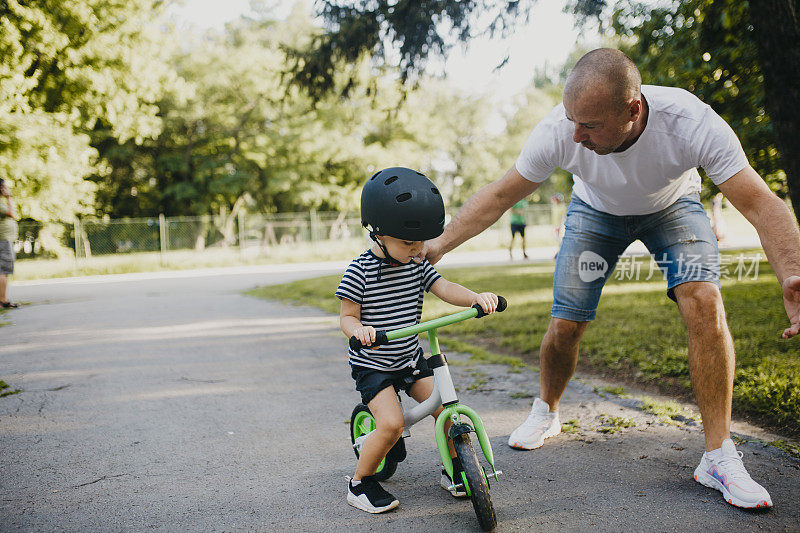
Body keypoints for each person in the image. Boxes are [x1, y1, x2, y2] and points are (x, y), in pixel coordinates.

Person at [420, 49, 800, 509]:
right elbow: (500, 195)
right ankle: (546, 410)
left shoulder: (691, 122)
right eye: (571, 120)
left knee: (705, 301)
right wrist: (437, 245)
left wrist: (793, 274)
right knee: (566, 324)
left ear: (632, 109)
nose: (576, 136)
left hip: (672, 208)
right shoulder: (560, 131)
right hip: (594, 212)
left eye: (591, 125)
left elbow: (760, 202)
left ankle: (718, 456)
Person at [336, 167, 499, 514]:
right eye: (408, 242)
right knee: (393, 425)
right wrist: (359, 332)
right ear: (379, 235)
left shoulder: (417, 263)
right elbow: (347, 317)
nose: (417, 249)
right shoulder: (359, 271)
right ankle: (360, 482)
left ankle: (456, 468)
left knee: (445, 409)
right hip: (374, 363)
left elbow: (444, 288)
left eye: (421, 242)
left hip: (409, 357)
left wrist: (475, 298)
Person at [0, 178, 19, 309]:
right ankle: (2, 300)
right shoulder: (1, 203)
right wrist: (8, 198)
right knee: (3, 270)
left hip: (5, 240)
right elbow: (12, 213)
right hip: (4, 240)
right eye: (4, 187)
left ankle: (2, 300)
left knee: (3, 270)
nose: (6, 189)